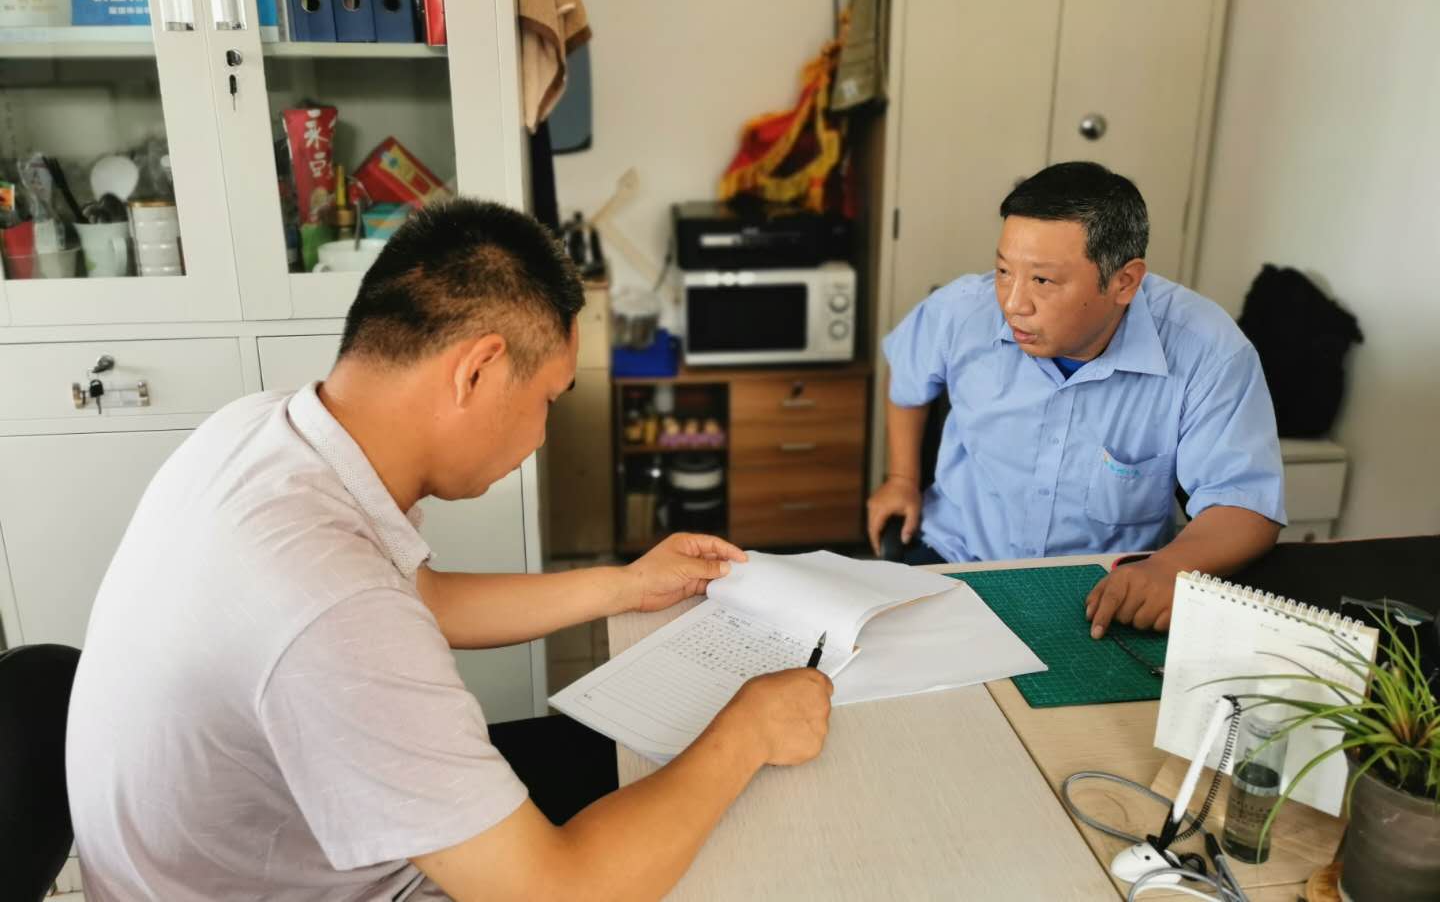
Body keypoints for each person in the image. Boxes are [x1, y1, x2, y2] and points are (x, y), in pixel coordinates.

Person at [66, 199, 833, 901]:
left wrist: (625, 585)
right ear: (477, 370)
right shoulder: (330, 608)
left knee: (641, 774)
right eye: (547, 400)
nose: (541, 436)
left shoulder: (260, 431)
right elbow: (560, 893)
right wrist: (749, 730)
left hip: (231, 861)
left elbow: (422, 600)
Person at [867, 162, 1285, 638]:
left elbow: (1245, 502)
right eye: (1003, 271)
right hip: (958, 560)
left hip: (1101, 589)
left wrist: (1170, 567)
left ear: (1124, 282)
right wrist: (901, 478)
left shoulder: (1207, 349)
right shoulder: (962, 311)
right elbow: (906, 371)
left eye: (1042, 281)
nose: (1012, 304)